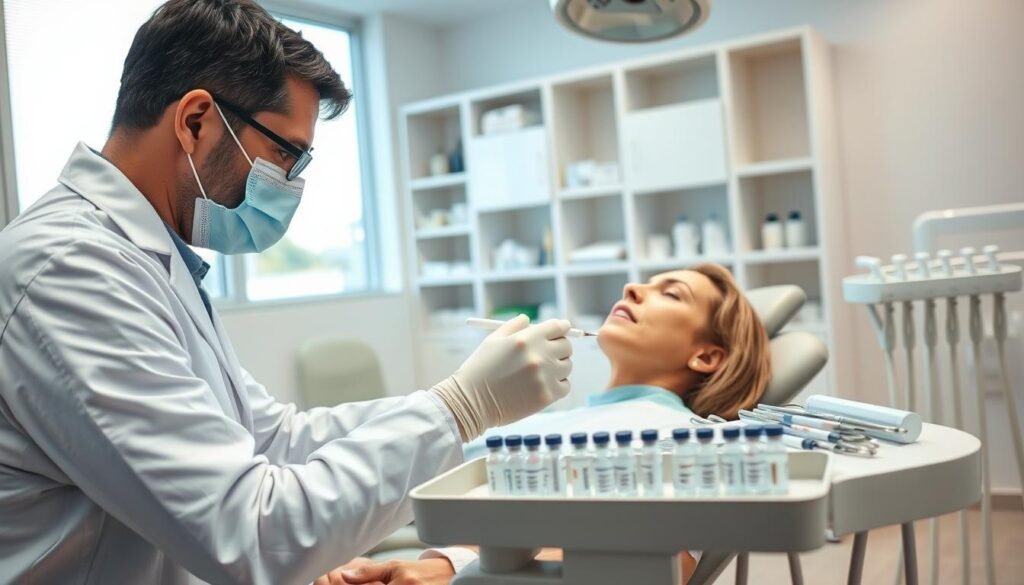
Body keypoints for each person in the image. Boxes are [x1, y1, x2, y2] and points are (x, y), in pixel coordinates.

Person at [0, 1, 572, 583]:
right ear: (196, 120)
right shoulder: (70, 271)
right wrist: (459, 406)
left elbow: (274, 438)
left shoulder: (149, 260)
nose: (291, 185)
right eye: (284, 153)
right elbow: (251, 533)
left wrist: (462, 405)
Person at [316, 263, 772, 585]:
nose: (633, 287)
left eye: (670, 293)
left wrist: (450, 567)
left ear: (707, 356)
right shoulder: (571, 419)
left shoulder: (685, 437)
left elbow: (653, 557)